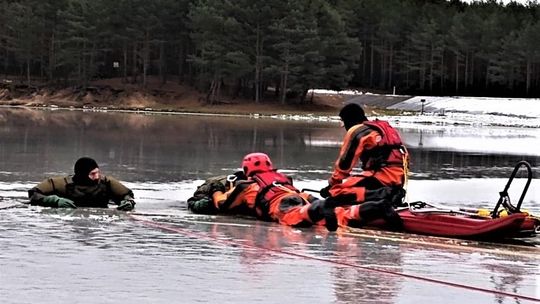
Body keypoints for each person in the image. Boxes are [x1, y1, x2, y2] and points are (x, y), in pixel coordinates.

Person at [320, 103, 409, 231]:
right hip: (397, 180)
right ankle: (386, 195)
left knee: (336, 193)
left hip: (381, 178)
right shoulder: (380, 129)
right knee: (354, 183)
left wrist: (332, 185)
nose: (343, 126)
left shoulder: (358, 131)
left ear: (348, 119)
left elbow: (345, 164)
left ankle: (381, 198)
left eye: (343, 122)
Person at [191, 152, 332, 229]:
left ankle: (316, 209)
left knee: (295, 216)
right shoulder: (283, 178)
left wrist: (217, 190)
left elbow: (222, 205)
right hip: (300, 196)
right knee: (324, 214)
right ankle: (333, 208)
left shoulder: (244, 186)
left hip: (280, 204)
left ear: (246, 169)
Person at [28, 157, 135, 211]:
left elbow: (127, 195)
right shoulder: (62, 184)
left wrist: (127, 202)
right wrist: (55, 201)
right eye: (93, 174)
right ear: (83, 174)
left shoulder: (107, 183)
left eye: (98, 172)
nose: (97, 176)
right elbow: (34, 194)